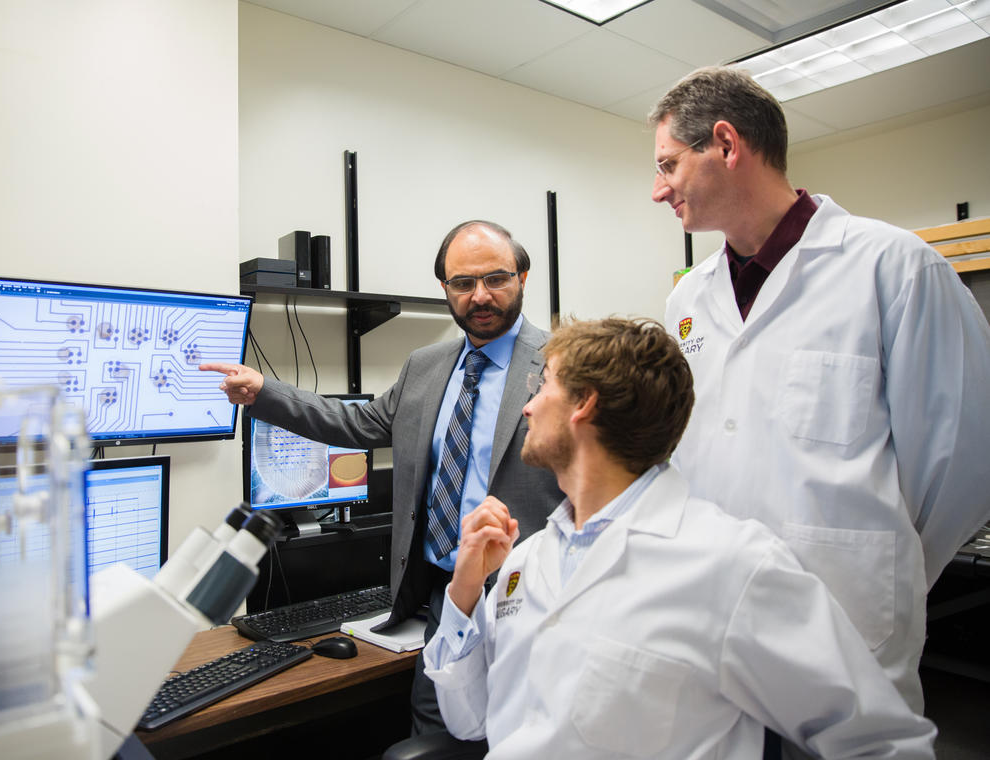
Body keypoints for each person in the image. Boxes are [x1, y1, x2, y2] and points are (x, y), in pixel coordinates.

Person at [424, 317, 937, 759]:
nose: (527, 407)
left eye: (544, 387)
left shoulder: (731, 564)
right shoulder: (524, 561)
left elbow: (884, 742)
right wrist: (465, 593)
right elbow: (470, 721)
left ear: (584, 405)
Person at [649, 65, 990, 715]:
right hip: (714, 631)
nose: (658, 189)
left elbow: (963, 463)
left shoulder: (893, 266)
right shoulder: (688, 300)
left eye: (667, 165)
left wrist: (885, 564)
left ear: (726, 144)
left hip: (847, 636)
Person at [201, 220, 562, 734]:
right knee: (438, 732)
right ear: (445, 290)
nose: (480, 295)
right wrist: (264, 391)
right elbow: (357, 423)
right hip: (445, 594)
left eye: (495, 278)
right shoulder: (427, 365)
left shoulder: (562, 362)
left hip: (533, 596)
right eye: (463, 283)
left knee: (530, 735)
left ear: (522, 276)